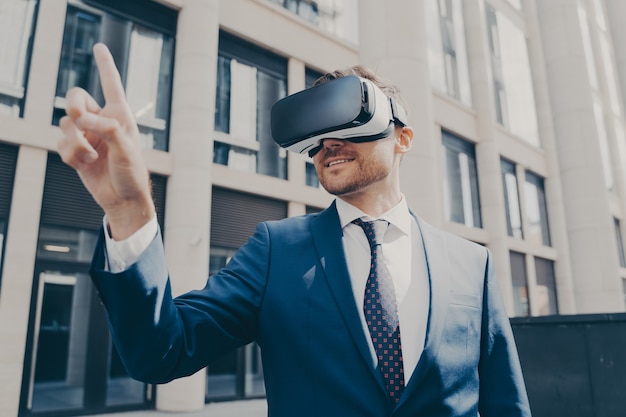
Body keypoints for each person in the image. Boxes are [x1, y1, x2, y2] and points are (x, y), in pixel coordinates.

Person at [58, 43, 531, 417]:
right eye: (315, 136)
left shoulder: (473, 263)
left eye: (347, 122)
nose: (327, 145)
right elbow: (160, 352)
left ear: (402, 137)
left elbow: (506, 405)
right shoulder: (275, 251)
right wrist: (128, 212)